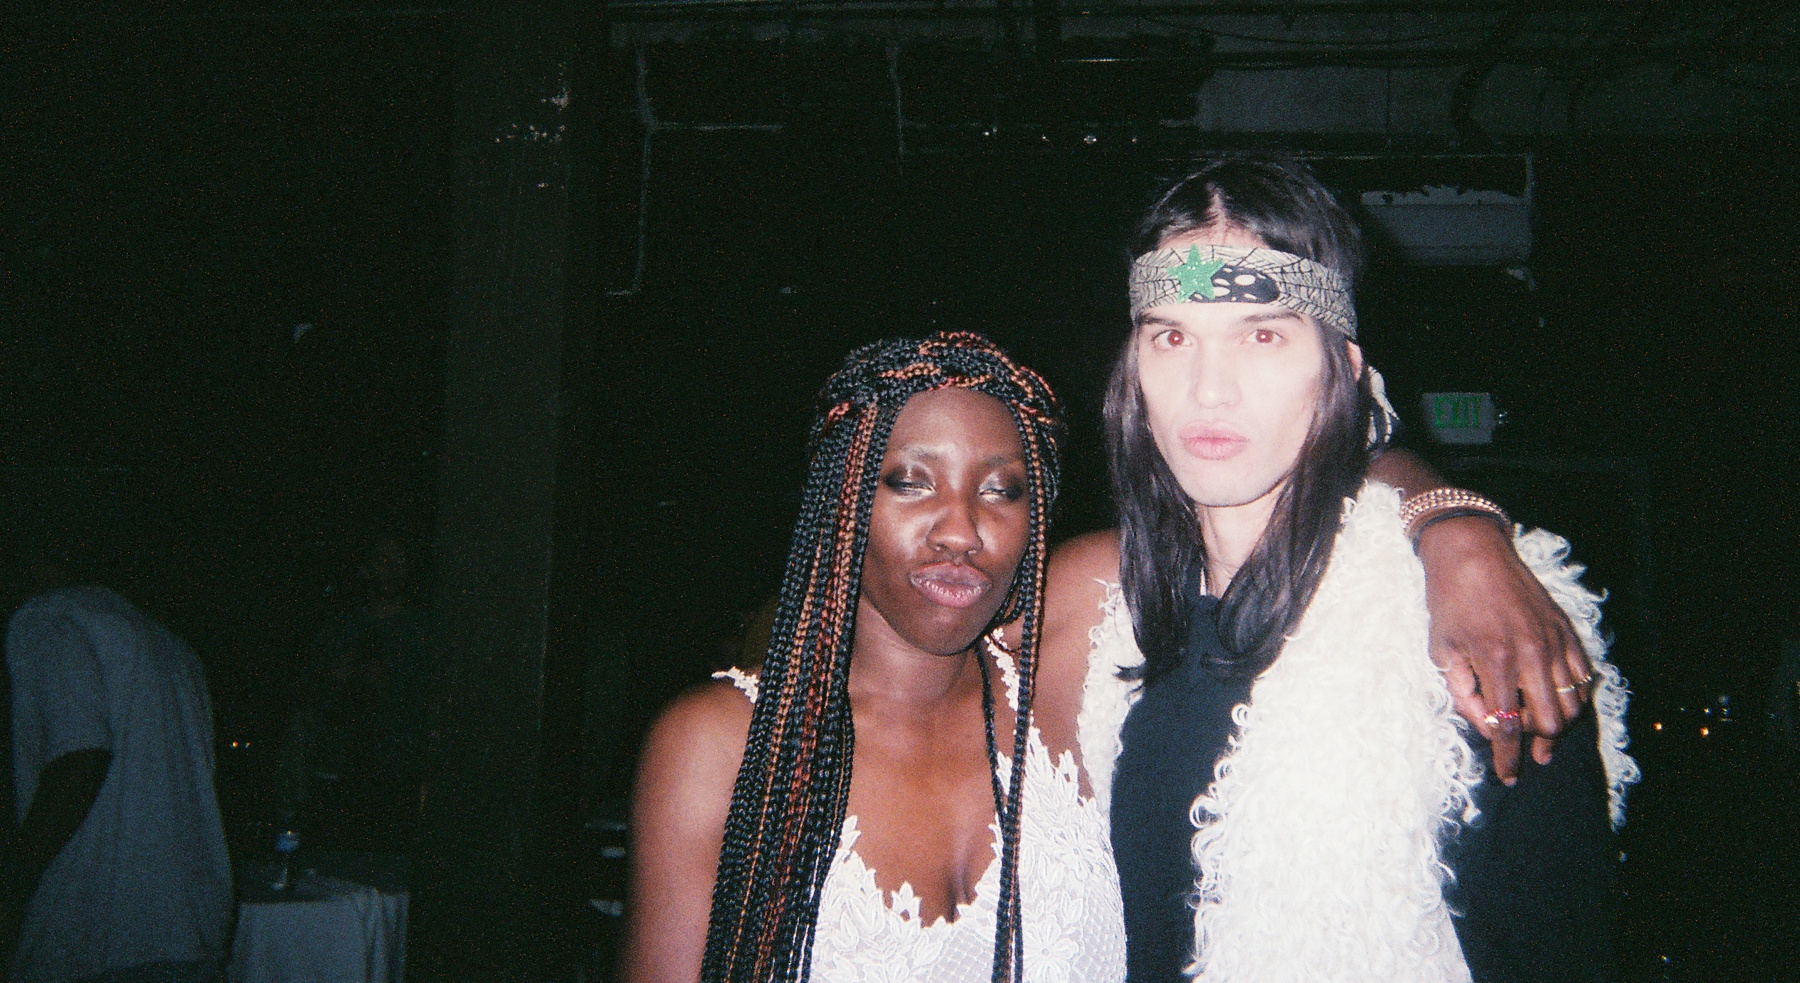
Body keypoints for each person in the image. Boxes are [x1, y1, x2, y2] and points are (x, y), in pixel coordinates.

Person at [622, 327, 1599, 983]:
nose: (960, 528)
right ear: (840, 501)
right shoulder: (722, 744)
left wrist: (1457, 529)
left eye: (1002, 489)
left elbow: (1291, 470)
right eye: (909, 482)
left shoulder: (1064, 644)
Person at [1068, 156, 1638, 982]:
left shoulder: (1469, 650)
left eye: (1263, 335)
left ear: (1345, 368)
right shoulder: (1103, 627)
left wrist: (1456, 528)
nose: (1208, 389)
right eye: (1172, 335)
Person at [3, 558, 233, 983]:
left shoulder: (51, 621)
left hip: (89, 935)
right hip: (190, 930)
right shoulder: (172, 646)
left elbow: (80, 760)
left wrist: (15, 879)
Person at [277, 533, 431, 853]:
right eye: (383, 560)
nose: (393, 569)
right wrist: (335, 678)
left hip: (396, 778)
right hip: (335, 777)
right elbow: (304, 697)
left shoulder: (421, 632)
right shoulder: (339, 629)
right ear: (365, 568)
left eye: (400, 560)